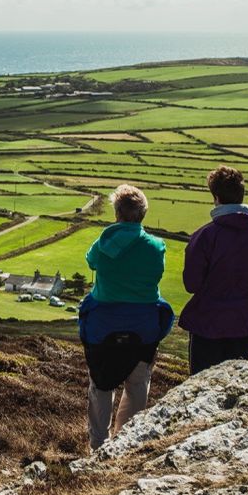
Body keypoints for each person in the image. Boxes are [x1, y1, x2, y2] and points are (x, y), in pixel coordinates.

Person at [81, 184, 172, 450]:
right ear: (142, 214)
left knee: (101, 384)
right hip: (144, 326)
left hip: (103, 325)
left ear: (117, 212)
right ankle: (126, 441)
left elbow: (91, 261)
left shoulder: (104, 242)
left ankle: (99, 444)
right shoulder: (156, 247)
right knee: (138, 384)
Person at [180, 166, 248, 375]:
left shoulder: (205, 236)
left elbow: (191, 284)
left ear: (216, 198)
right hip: (242, 324)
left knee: (201, 389)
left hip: (206, 325)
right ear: (241, 196)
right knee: (233, 387)